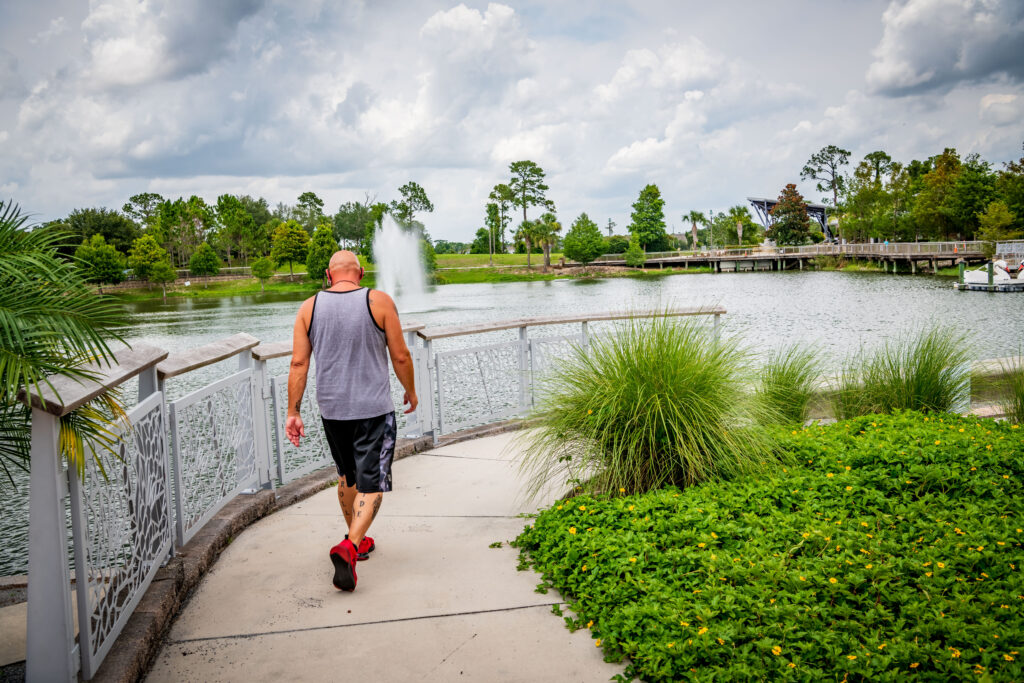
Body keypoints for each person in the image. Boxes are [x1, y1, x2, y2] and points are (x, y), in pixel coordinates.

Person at [285, 250, 417, 592]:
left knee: (347, 475)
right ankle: (349, 545)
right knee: (372, 483)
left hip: (332, 410)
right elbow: (400, 354)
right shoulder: (379, 301)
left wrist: (293, 411)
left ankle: (357, 539)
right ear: (360, 273)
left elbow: (298, 365)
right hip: (372, 409)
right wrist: (410, 391)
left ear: (329, 275)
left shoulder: (308, 308)